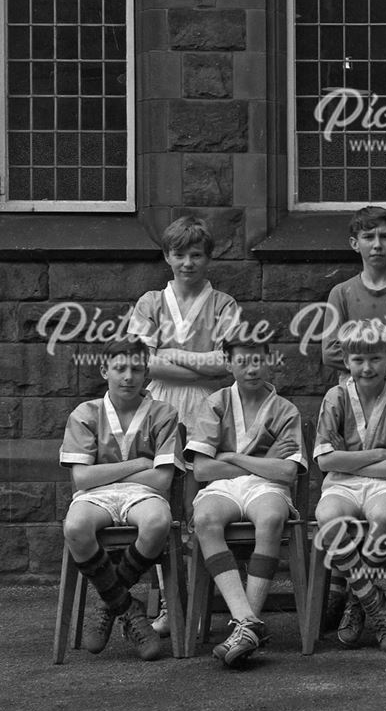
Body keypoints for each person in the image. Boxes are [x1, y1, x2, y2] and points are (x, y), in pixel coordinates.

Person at [128, 214, 241, 637]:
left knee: (202, 500)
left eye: (196, 255)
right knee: (164, 502)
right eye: (179, 254)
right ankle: (170, 606)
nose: (188, 262)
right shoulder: (150, 302)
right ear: (167, 256)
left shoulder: (223, 304)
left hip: (208, 408)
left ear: (208, 258)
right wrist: (201, 361)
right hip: (157, 405)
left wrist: (172, 354)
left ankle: (204, 605)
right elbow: (143, 361)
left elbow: (227, 364)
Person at [186, 336, 306, 667]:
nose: (251, 368)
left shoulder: (285, 409)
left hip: (266, 486)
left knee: (270, 518)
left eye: (257, 361)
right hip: (222, 487)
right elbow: (201, 469)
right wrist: (260, 456)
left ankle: (245, 626)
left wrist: (232, 456)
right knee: (206, 519)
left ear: (269, 362)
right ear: (228, 364)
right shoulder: (215, 402)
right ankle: (247, 621)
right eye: (242, 362)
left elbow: (285, 472)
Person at [59, 338, 182, 661]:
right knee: (75, 527)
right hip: (94, 495)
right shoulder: (85, 413)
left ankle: (109, 602)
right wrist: (140, 463)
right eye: (120, 368)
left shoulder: (163, 413)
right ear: (105, 370)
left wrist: (106, 471)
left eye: (136, 369)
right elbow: (82, 479)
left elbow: (162, 479)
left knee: (158, 522)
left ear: (147, 375)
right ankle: (129, 610)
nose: (128, 376)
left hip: (143, 494)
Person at [313, 324, 386, 652]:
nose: (367, 367)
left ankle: (356, 600)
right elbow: (324, 462)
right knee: (327, 516)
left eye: (375, 358)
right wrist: (377, 454)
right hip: (342, 485)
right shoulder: (335, 397)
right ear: (346, 361)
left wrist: (348, 459)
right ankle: (375, 604)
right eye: (358, 359)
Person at [321, 206, 386, 397]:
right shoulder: (341, 293)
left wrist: (355, 350)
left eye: (385, 237)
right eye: (369, 237)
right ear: (355, 243)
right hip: (352, 387)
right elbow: (329, 352)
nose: (377, 244)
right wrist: (382, 352)